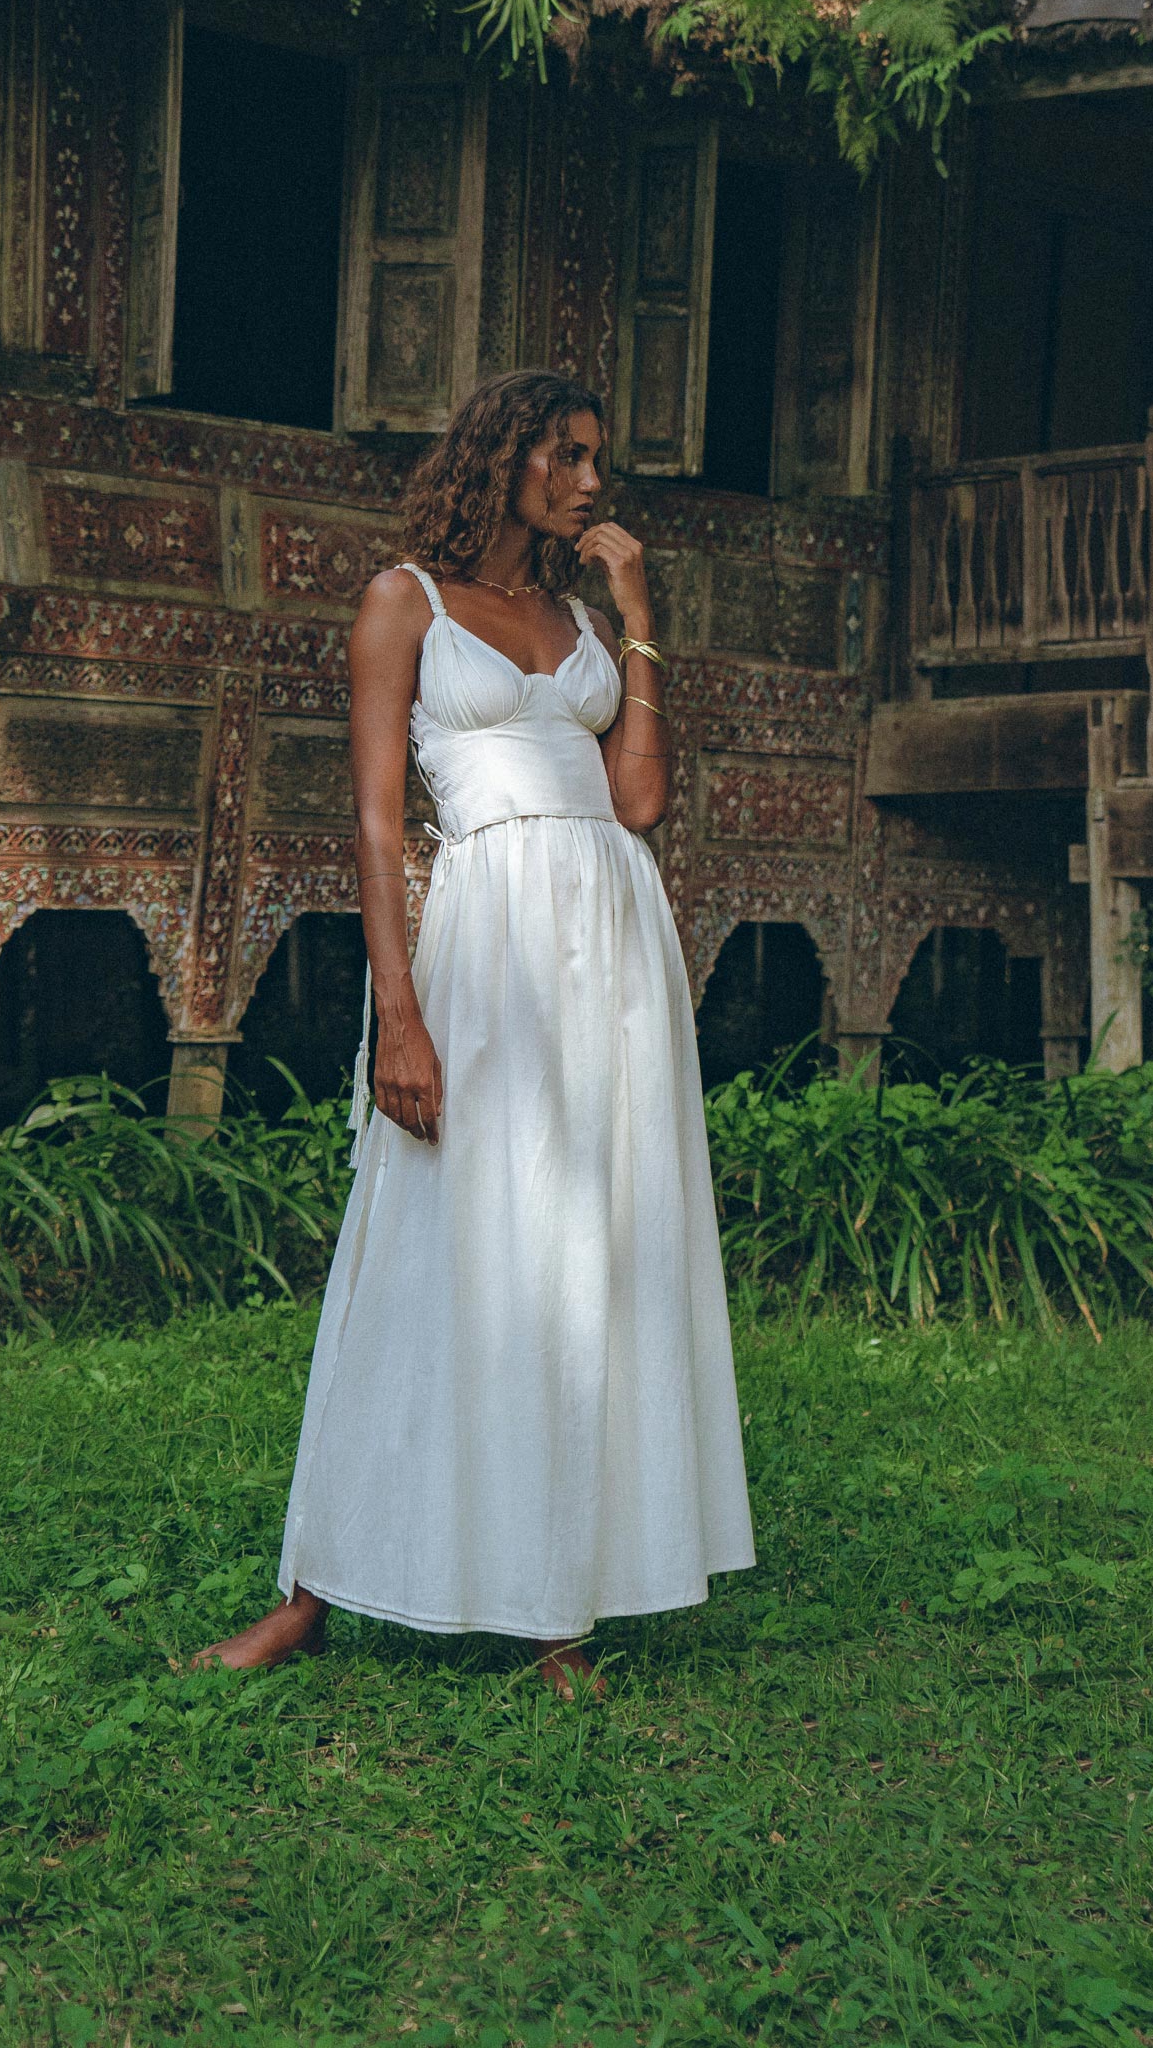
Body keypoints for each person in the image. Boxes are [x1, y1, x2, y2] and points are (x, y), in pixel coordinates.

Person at [191, 369, 753, 1698]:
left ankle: (553, 1598)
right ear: (499, 458)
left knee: (586, 1253)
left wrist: (640, 619)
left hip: (612, 948)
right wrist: (401, 1016)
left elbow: (642, 801)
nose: (589, 482)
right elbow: (382, 827)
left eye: (595, 459)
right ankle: (310, 1594)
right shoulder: (408, 605)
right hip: (484, 946)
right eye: (565, 455)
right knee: (431, 1254)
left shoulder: (579, 618)